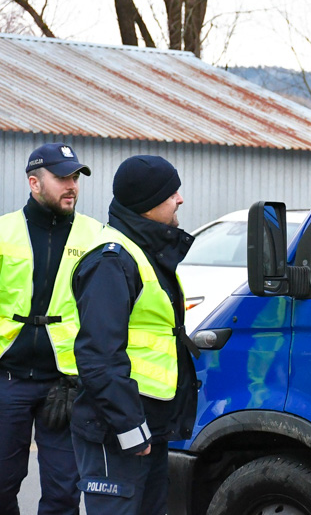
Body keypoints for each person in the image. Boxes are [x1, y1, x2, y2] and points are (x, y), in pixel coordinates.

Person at [71, 155, 198, 515]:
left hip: (146, 427)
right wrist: (131, 428)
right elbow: (99, 357)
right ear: (147, 204)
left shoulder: (144, 252)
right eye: (172, 192)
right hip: (119, 431)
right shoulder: (113, 261)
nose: (180, 199)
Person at [0, 143, 101, 515]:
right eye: (62, 177)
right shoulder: (3, 232)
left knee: (63, 494)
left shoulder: (96, 236)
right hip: (6, 378)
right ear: (34, 183)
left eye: (75, 176)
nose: (71, 184)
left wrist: (83, 377)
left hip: (66, 384)